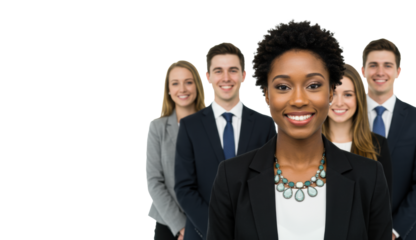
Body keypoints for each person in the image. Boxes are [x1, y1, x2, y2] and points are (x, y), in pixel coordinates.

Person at [207, 19, 392, 240]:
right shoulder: (232, 178)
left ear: (331, 92)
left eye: (313, 85)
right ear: (266, 95)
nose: (298, 100)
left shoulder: (368, 177)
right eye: (283, 87)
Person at [174, 42, 276, 240]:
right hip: (202, 233)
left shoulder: (264, 125)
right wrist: (216, 231)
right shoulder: (190, 127)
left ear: (243, 76)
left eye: (233, 70)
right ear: (208, 77)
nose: (226, 78)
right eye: (219, 71)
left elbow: (269, 182)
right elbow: (184, 187)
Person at [359, 38, 416, 240]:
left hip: (404, 233)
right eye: (373, 65)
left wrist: (393, 230)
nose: (380, 72)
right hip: (356, 230)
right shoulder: (348, 117)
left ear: (398, 72)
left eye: (387, 65)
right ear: (362, 71)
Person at [146, 60, 207, 240]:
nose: (182, 89)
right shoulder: (157, 128)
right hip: (168, 223)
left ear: (197, 86)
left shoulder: (212, 125)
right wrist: (181, 227)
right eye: (175, 83)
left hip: (205, 222)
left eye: (188, 82)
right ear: (169, 90)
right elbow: (154, 181)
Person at [323, 62, 392, 196]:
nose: (339, 102)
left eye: (348, 94)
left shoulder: (378, 145)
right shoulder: (308, 144)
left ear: (358, 98)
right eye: (332, 94)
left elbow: (384, 207)